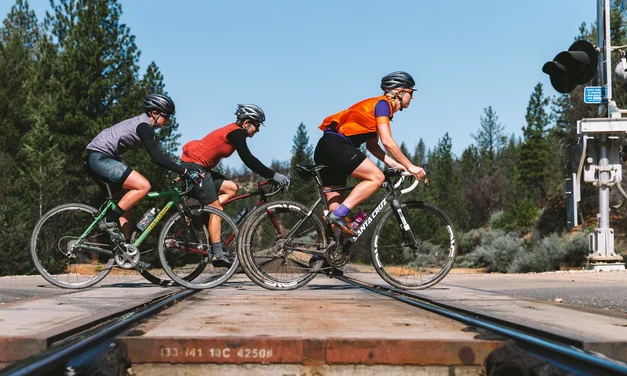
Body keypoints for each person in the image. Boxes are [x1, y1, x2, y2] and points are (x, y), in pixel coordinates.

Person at [314, 71, 427, 236]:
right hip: (337, 145)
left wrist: (399, 166)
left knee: (335, 220)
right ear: (400, 92)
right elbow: (387, 141)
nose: (412, 98)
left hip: (325, 147)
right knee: (376, 177)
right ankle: (338, 215)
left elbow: (373, 146)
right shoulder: (382, 105)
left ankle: (321, 256)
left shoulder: (375, 107)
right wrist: (411, 166)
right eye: (411, 93)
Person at [180, 103, 290, 266]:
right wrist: (273, 175)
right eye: (257, 125)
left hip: (200, 169)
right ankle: (217, 254)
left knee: (232, 188)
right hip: (194, 169)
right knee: (217, 209)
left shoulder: (234, 131)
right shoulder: (236, 132)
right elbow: (248, 159)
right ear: (246, 123)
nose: (257, 130)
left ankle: (203, 213)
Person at [85, 93, 204, 242]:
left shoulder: (143, 125)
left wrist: (178, 171)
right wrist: (186, 171)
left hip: (98, 159)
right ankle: (109, 222)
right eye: (166, 116)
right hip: (100, 158)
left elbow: (159, 157)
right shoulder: (143, 126)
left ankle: (125, 250)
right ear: (154, 113)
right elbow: (157, 157)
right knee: (143, 186)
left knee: (126, 205)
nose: (168, 120)